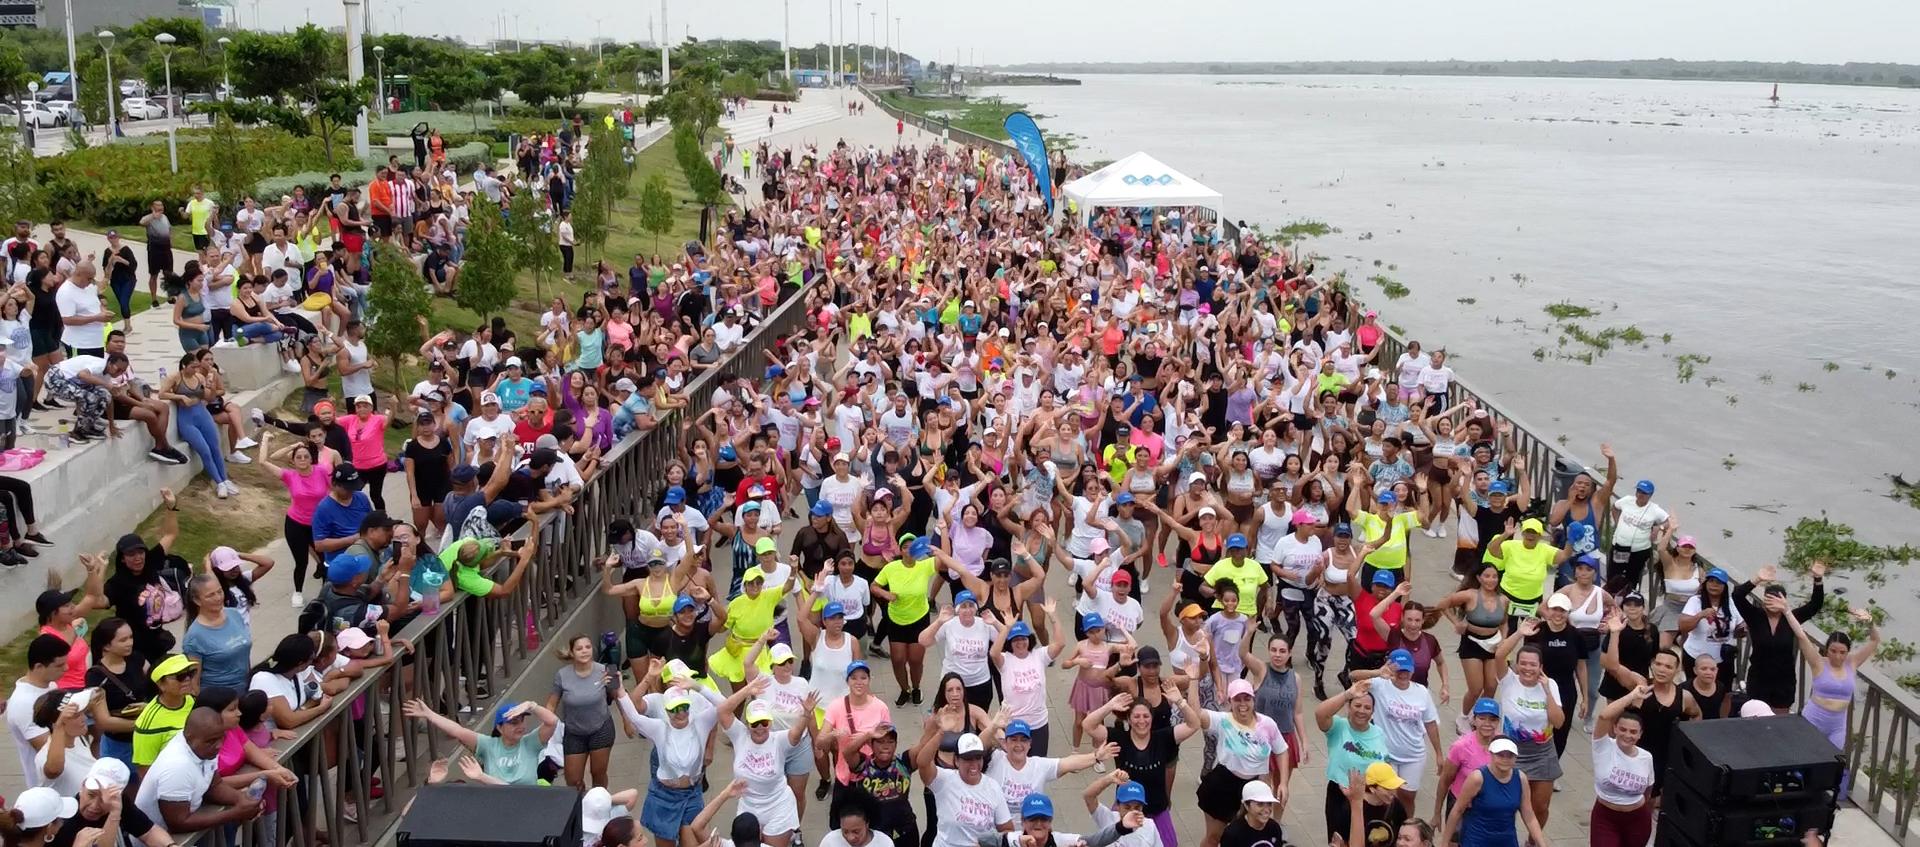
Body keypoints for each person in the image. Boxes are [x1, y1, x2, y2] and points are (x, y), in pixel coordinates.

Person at [1785, 595, 1877, 796]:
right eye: (1833, 651)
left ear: (1847, 652)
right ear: (1828, 649)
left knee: (1831, 760)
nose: (1837, 656)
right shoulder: (1819, 662)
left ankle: (1821, 797)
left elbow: (1874, 641)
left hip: (1837, 724)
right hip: (1814, 718)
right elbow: (1801, 636)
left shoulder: (1852, 663)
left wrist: (1869, 622)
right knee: (1805, 759)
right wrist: (1786, 610)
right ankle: (1797, 793)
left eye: (1842, 652)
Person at [133, 707, 263, 834]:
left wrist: (242, 800)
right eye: (211, 741)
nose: (218, 745)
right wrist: (234, 814)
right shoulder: (177, 766)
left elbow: (214, 785)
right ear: (189, 738)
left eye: (221, 738)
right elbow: (178, 823)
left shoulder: (205, 745)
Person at [1491, 620, 1564, 831]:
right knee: (1505, 806)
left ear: (1541, 667)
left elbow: (1558, 722)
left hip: (1542, 754)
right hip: (1510, 752)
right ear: (1516, 664)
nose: (1527, 668)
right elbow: (1498, 655)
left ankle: (1533, 840)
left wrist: (1547, 691)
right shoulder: (1508, 680)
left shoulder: (1550, 685)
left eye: (1533, 664)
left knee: (1540, 806)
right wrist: (1519, 633)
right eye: (1523, 663)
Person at [1732, 563, 1827, 712]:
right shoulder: (1755, 616)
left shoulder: (1791, 617)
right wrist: (1757, 580)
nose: (1773, 603)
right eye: (1769, 599)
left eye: (1778, 599)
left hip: (1784, 679)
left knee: (1780, 719)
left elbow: (1815, 604)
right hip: (1759, 677)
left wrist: (1818, 578)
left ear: (1784, 601)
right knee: (1756, 716)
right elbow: (1737, 595)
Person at [402, 698, 560, 785]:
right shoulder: (488, 745)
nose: (520, 726)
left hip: (529, 806)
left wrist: (531, 705)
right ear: (499, 728)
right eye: (513, 723)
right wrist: (429, 714)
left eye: (521, 721)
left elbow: (552, 722)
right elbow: (457, 730)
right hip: (495, 809)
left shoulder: (530, 743)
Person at [1437, 737, 1546, 847]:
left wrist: (1541, 843)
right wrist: (1445, 842)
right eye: (1500, 755)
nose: (1505, 759)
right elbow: (1458, 810)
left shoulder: (1521, 778)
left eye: (1510, 756)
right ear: (1491, 755)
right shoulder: (1477, 778)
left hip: (1506, 840)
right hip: (1477, 840)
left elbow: (1529, 815)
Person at [548, 633, 622, 791]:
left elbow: (619, 697)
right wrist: (547, 729)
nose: (584, 651)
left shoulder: (605, 670)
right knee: (573, 780)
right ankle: (580, 807)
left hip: (601, 728)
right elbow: (551, 705)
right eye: (579, 648)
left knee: (598, 773)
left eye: (588, 647)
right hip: (574, 732)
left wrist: (628, 722)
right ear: (572, 652)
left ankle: (600, 805)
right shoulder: (562, 675)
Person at [1588, 686, 1657, 847]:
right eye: (1623, 729)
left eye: (1633, 732)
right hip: (1605, 816)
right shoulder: (1603, 746)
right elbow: (1604, 715)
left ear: (1640, 734)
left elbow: (1648, 790)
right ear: (1615, 729)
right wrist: (1632, 695)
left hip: (1637, 819)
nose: (1627, 735)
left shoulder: (1646, 757)